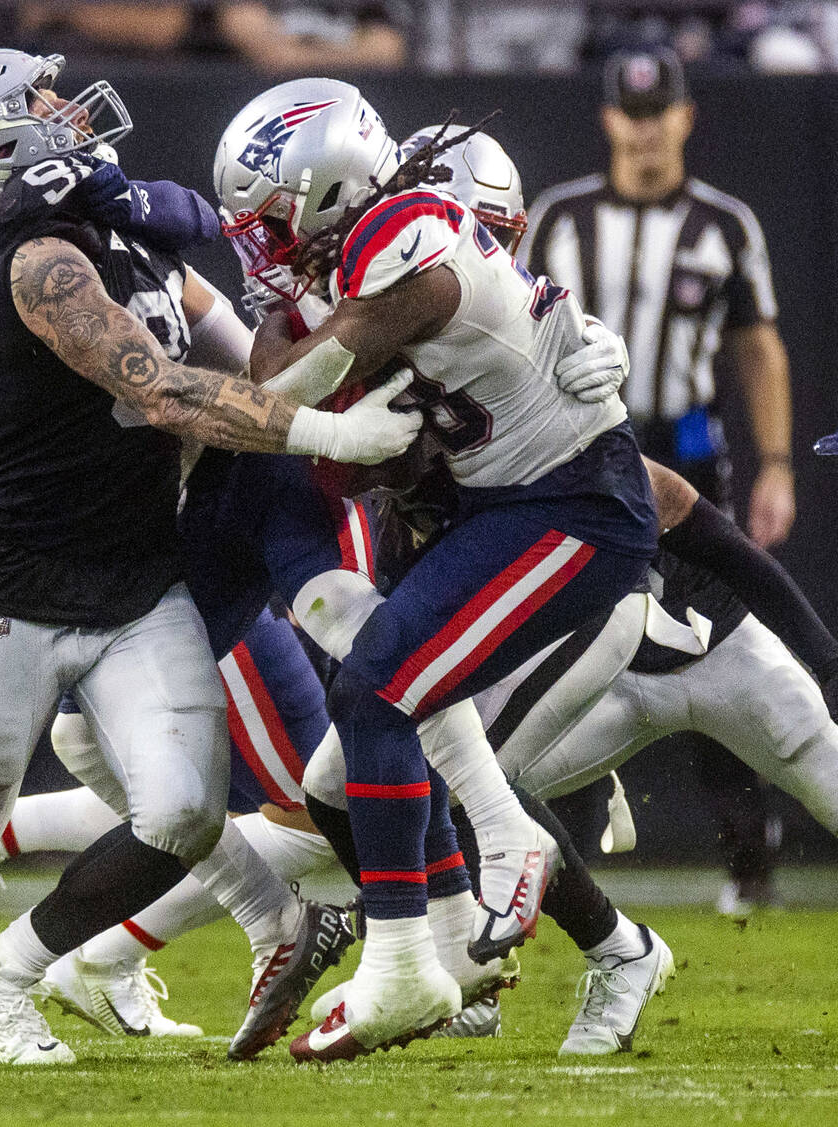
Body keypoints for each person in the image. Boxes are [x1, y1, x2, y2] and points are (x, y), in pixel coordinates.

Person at [0, 50, 418, 1067]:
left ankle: (7, 973)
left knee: (183, 810)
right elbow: (163, 392)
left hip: (140, 578)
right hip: (11, 588)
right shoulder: (28, 260)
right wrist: (329, 435)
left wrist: (362, 371)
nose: (65, 107)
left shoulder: (124, 232)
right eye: (37, 100)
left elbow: (248, 359)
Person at [215, 80, 661, 1061]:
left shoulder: (403, 232)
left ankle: (422, 955)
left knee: (378, 690)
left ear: (328, 187)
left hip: (571, 507)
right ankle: (457, 936)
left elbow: (283, 393)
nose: (263, 247)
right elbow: (324, 441)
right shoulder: (368, 255)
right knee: (352, 746)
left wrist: (280, 315)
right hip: (504, 510)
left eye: (271, 222)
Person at [522, 47, 795, 913]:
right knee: (558, 649)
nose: (645, 131)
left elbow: (759, 347)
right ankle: (548, 859)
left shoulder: (724, 225)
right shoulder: (558, 218)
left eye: (659, 114)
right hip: (576, 457)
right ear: (610, 119)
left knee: (719, 646)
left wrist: (777, 462)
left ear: (685, 117)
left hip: (686, 457)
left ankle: (748, 856)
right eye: (631, 115)